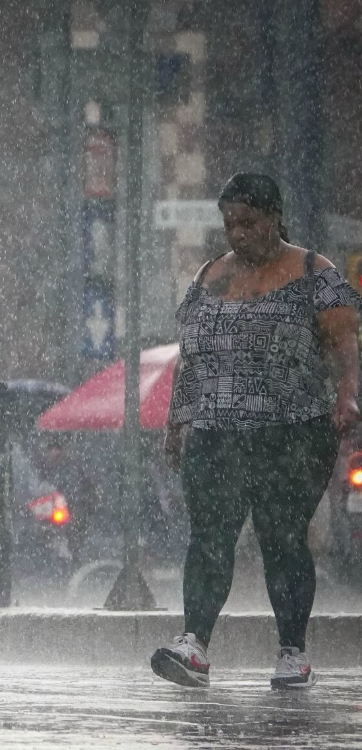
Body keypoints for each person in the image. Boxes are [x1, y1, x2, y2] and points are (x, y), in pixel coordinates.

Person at [153, 173, 360, 689]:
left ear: (273, 218)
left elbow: (341, 346)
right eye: (229, 223)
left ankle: (293, 652)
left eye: (248, 222)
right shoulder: (207, 277)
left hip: (292, 430)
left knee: (283, 537)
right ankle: (194, 645)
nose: (237, 233)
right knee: (209, 539)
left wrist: (344, 396)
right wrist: (177, 423)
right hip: (216, 430)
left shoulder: (316, 272)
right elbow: (189, 360)